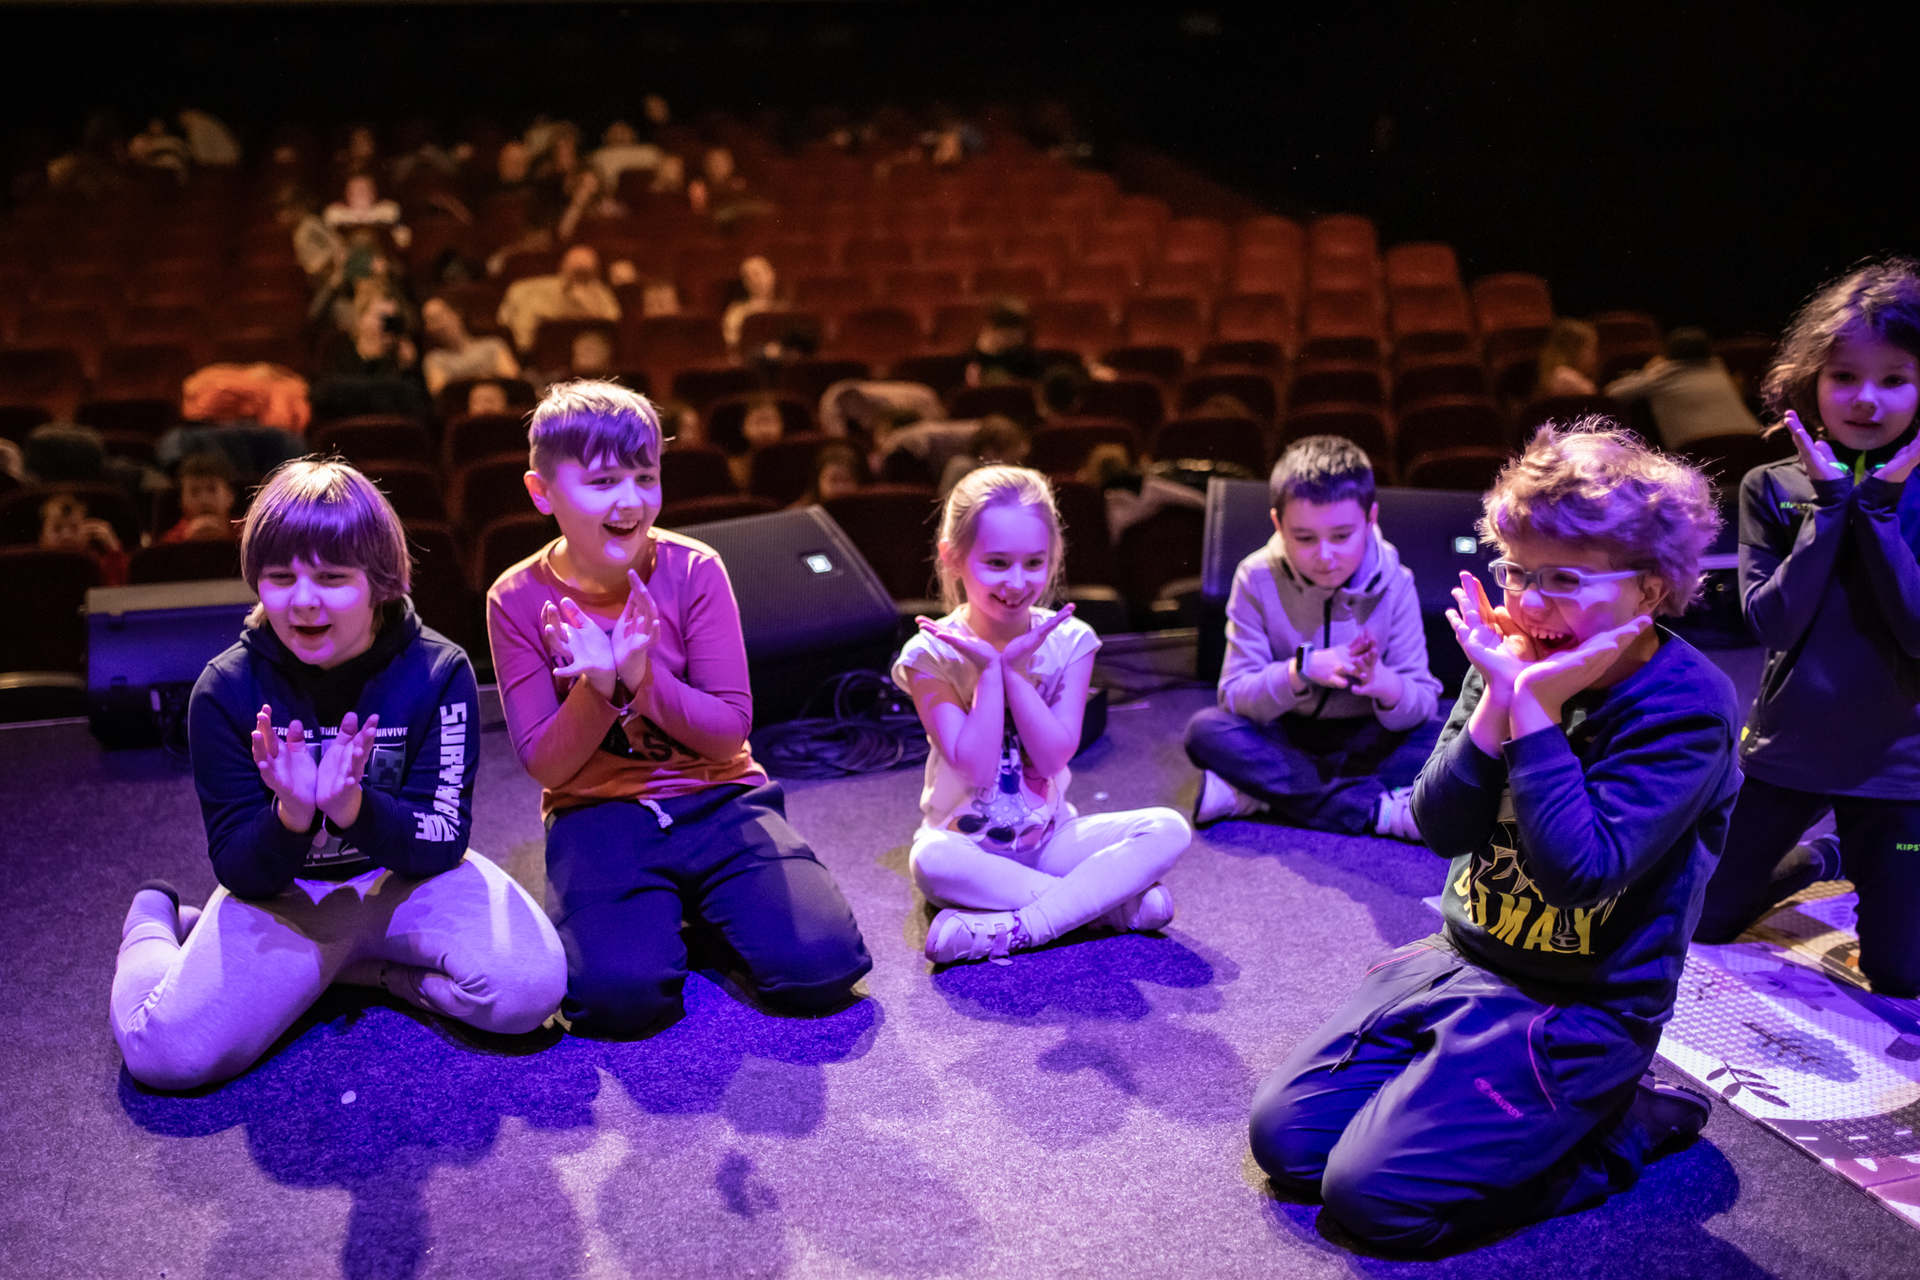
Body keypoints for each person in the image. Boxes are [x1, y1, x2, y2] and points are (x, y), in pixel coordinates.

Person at [1248, 420, 1737, 1253]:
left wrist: (1534, 713)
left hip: (1582, 1003)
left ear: (1650, 591)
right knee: (1287, 1143)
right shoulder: (1515, 655)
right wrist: (1496, 703)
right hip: (1463, 956)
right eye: (1518, 572)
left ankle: (1623, 1127)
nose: (1532, 604)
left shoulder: (1685, 705)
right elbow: (1441, 827)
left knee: (1375, 1202)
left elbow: (1580, 874)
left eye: (1565, 580)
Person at [109, 459, 566, 1090]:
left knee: (530, 993)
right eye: (280, 578)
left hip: (406, 882)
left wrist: (353, 808)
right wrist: (292, 815)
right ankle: (157, 917)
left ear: (380, 582)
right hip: (286, 899)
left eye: (331, 577)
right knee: (163, 1055)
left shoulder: (438, 671)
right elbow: (240, 868)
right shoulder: (224, 689)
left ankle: (359, 973)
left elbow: (442, 841)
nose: (303, 601)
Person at [485, 381, 871, 1035]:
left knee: (821, 970)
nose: (630, 500)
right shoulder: (515, 597)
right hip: (597, 811)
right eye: (603, 482)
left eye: (645, 477)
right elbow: (546, 765)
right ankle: (665, 909)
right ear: (542, 493)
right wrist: (598, 687)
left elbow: (727, 734)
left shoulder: (695, 570)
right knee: (618, 1002)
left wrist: (640, 678)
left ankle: (692, 905)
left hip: (720, 799)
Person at [1693, 260, 1920, 995]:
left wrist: (1877, 513)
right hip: (1789, 750)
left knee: (1902, 975)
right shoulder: (1773, 486)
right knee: (1703, 919)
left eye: (1894, 378)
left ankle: (1871, 860)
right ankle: (1825, 858)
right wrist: (1831, 508)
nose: (1866, 398)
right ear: (1812, 381)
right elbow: (1774, 623)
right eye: (1845, 376)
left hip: (1900, 770)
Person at [893, 465, 1191, 966]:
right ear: (953, 558)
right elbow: (975, 767)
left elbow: (1053, 757)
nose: (1017, 582)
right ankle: (1105, 908)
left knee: (1168, 828)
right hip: (968, 851)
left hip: (1051, 839)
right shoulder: (930, 654)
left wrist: (1012, 672)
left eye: (1034, 562)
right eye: (997, 563)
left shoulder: (1071, 641)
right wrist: (988, 674)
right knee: (930, 860)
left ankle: (1017, 927)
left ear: (1054, 558)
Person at [1184, 435, 1442, 837]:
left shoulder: (1396, 581)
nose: (1324, 556)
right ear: (1278, 524)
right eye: (1304, 538)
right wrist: (1300, 671)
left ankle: (1261, 796)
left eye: (1341, 536)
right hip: (1284, 733)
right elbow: (1233, 694)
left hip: (1363, 738)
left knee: (1453, 736)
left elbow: (1423, 700)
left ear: (1371, 519)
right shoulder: (1254, 576)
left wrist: (1382, 684)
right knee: (1206, 731)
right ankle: (1378, 811)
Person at [1603, 327, 1763, 452]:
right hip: (1755, 445)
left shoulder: (1663, 375)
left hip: (1702, 453)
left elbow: (1612, 393)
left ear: (1667, 354)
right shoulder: (1720, 370)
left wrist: (1650, 370)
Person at [497, 245, 621, 354]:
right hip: (542, 354)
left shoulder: (600, 292)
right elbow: (521, 335)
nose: (579, 279)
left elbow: (613, 320)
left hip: (590, 353)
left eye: (585, 274)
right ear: (563, 266)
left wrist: (588, 306)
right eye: (577, 272)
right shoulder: (531, 290)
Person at [420, 296, 520, 397]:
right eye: (431, 321)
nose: (439, 325)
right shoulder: (433, 359)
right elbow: (442, 394)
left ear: (456, 314)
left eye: (440, 316)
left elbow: (512, 381)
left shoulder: (493, 345)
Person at [39, 491, 128, 585]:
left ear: (88, 531)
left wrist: (113, 550)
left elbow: (119, 587)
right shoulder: (34, 565)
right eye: (57, 528)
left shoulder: (98, 564)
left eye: (74, 528)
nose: (67, 536)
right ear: (41, 536)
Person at [161, 451, 239, 543]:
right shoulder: (170, 542)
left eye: (212, 490)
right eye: (194, 492)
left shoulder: (245, 533)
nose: (204, 500)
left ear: (230, 496)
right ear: (181, 501)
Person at [721, 255, 780, 353]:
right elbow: (732, 342)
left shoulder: (784, 309)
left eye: (759, 273)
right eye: (748, 276)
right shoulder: (736, 312)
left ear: (772, 275)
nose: (756, 280)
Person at [1534, 318, 1600, 399]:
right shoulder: (1564, 376)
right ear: (1574, 350)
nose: (1595, 356)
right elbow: (1592, 397)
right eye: (1591, 349)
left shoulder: (1555, 374)